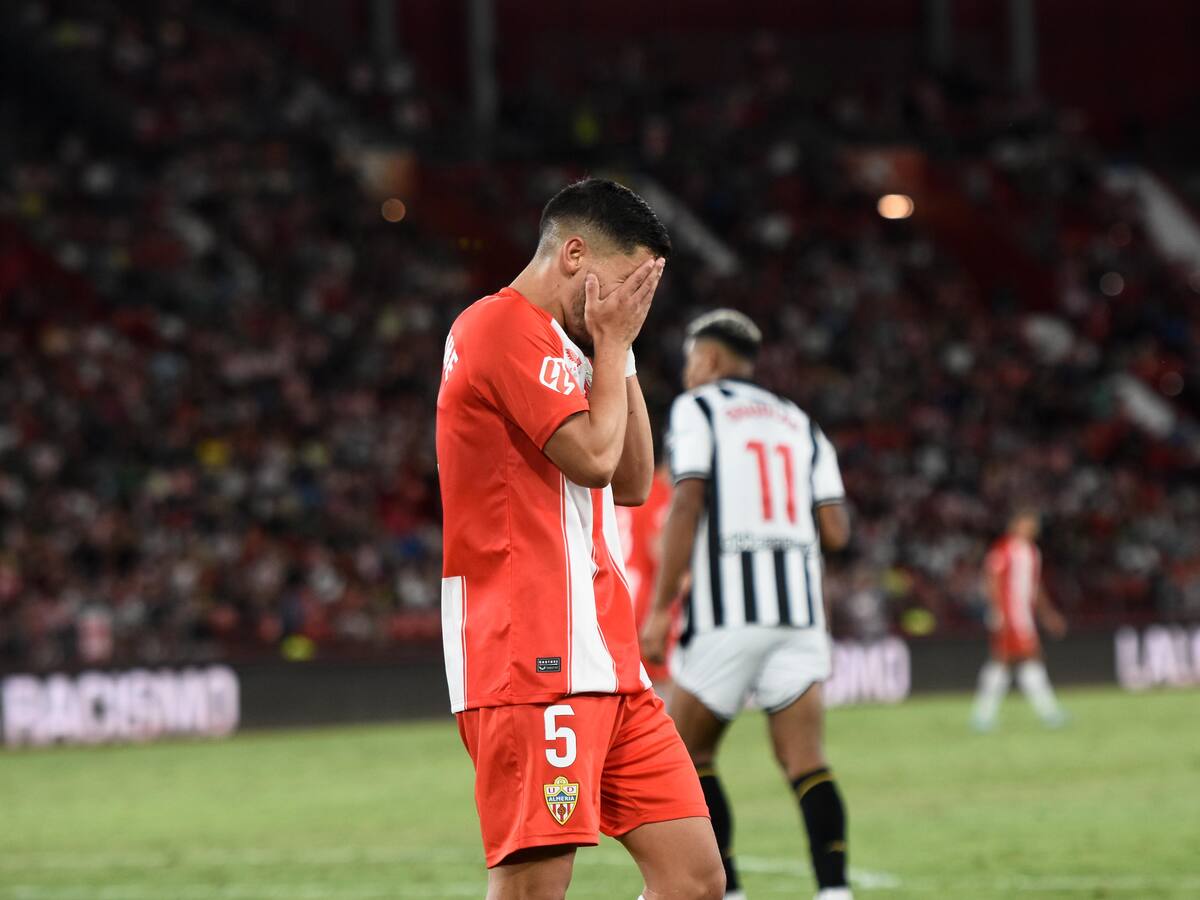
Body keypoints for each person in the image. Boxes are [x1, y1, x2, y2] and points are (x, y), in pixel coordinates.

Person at [436, 178, 724, 900]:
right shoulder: (497, 326)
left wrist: (619, 353)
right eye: (625, 285)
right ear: (573, 255)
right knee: (535, 889)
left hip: (608, 655)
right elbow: (594, 458)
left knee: (694, 880)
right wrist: (614, 343)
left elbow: (633, 479)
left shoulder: (580, 348)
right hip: (529, 654)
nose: (627, 307)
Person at [641, 310, 854, 900]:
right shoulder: (800, 421)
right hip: (800, 614)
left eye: (691, 360)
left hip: (727, 613)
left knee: (688, 753)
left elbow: (686, 503)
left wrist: (660, 608)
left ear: (708, 359)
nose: (688, 372)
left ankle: (728, 890)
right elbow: (836, 530)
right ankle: (835, 891)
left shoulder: (698, 408)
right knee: (805, 759)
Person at [970, 509, 1068, 731]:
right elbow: (991, 580)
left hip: (1024, 617)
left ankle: (1046, 713)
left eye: (1034, 524)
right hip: (1009, 616)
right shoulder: (1003, 550)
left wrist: (1048, 614)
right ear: (1015, 524)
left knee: (1018, 662)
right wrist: (997, 611)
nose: (1032, 528)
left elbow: (1035, 587)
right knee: (1012, 660)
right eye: (1028, 523)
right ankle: (984, 715)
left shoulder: (1032, 552)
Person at [615, 461, 677, 687]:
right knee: (658, 685)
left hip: (618, 590)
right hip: (646, 596)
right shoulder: (658, 492)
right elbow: (658, 549)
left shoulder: (624, 489)